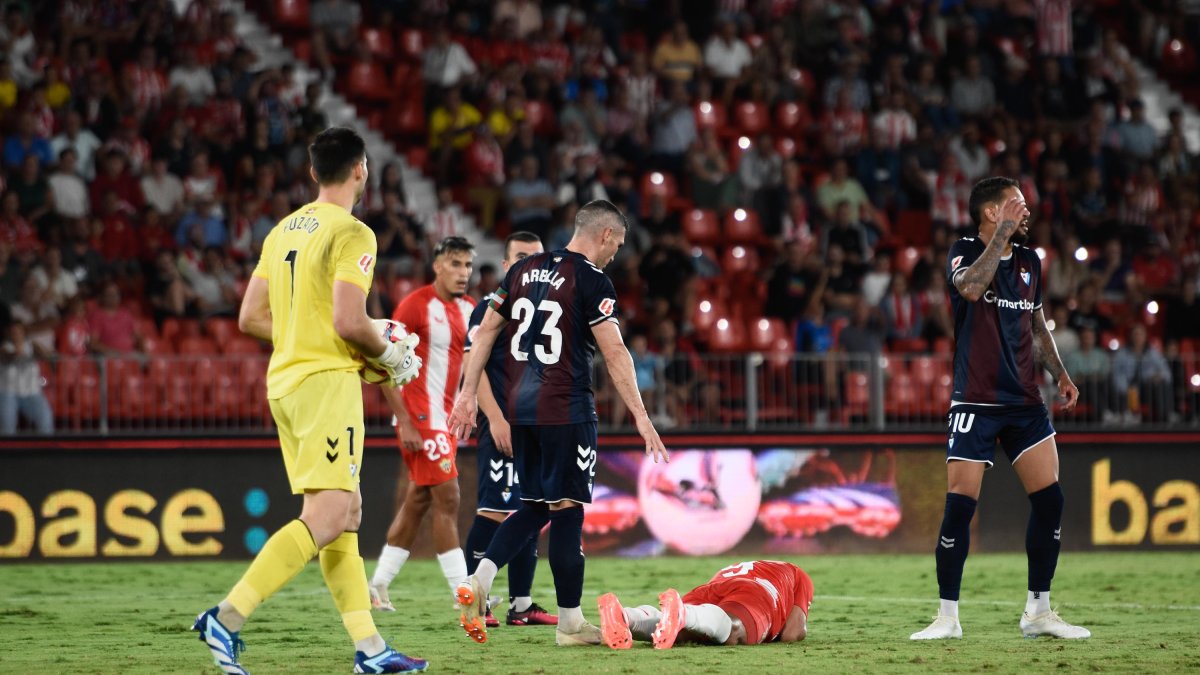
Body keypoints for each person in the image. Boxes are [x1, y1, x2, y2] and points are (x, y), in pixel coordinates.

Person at [191, 127, 427, 675]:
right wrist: (387, 351)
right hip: (325, 384)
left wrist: (307, 335)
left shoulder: (281, 231)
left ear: (313, 171)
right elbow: (349, 321)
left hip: (287, 382)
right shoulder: (353, 232)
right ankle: (226, 617)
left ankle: (369, 649)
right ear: (361, 170)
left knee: (348, 512)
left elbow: (250, 317)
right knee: (325, 516)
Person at [447, 200, 670, 647]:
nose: (616, 254)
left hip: (521, 410)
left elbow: (485, 332)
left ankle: (482, 580)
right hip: (566, 410)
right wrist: (643, 419)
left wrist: (467, 393)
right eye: (618, 244)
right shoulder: (591, 279)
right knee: (568, 513)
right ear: (605, 235)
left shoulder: (521, 270)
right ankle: (570, 624)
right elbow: (615, 353)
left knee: (531, 506)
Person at [911, 176, 1088, 641]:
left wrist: (1061, 374)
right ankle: (947, 617)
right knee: (959, 507)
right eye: (1016, 204)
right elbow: (970, 289)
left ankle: (1038, 612)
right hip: (976, 399)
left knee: (1051, 501)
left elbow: (1036, 323)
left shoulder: (1031, 261)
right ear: (992, 212)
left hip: (1025, 402)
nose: (1026, 211)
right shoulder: (964, 251)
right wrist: (1002, 238)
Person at [369, 236, 477, 611]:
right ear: (437, 266)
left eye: (467, 265)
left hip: (445, 420)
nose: (463, 273)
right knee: (449, 497)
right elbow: (383, 361)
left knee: (417, 501)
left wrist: (473, 401)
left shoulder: (470, 309)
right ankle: (463, 593)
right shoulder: (414, 306)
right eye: (455, 264)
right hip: (419, 417)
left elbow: (474, 365)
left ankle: (378, 584)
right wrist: (404, 420)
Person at [461, 231, 558, 628]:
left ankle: (521, 604)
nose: (527, 265)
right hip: (502, 424)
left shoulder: (549, 307)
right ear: (505, 265)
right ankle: (475, 603)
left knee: (531, 507)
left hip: (537, 425)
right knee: (494, 510)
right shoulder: (489, 306)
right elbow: (474, 364)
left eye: (536, 258)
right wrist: (496, 418)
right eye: (520, 257)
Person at [596, 560, 813, 650]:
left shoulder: (757, 566)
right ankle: (684, 614)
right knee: (734, 631)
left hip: (714, 585)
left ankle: (627, 617)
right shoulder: (797, 573)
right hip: (757, 589)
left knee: (681, 632)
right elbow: (792, 634)